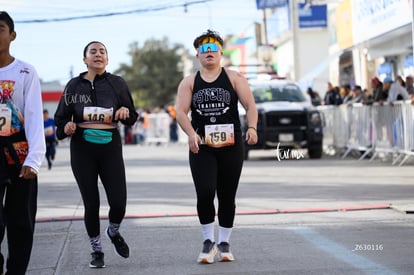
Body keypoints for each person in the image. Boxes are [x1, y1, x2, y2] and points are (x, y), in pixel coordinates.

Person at [175, 30, 258, 264]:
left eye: (213, 48)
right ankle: (207, 241)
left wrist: (252, 128)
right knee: (204, 192)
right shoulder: (189, 82)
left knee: (227, 195)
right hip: (202, 147)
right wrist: (191, 134)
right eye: (203, 49)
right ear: (197, 55)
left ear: (221, 52)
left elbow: (250, 106)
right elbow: (180, 112)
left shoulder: (233, 78)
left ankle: (224, 242)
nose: (208, 52)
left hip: (231, 146)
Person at [54, 41, 138, 268]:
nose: (98, 55)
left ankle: (113, 231)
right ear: (85, 60)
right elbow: (60, 119)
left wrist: (124, 112)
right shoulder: (73, 86)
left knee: (119, 202)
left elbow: (132, 115)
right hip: (83, 150)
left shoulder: (117, 84)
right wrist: (66, 128)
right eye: (93, 52)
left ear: (107, 60)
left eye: (102, 52)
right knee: (91, 203)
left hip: (110, 148)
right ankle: (96, 250)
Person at [0, 11, 46, 275]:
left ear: (12, 35)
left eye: (1, 29)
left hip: (19, 153)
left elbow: (33, 116)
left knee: (21, 221)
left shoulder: (25, 71)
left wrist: (34, 159)